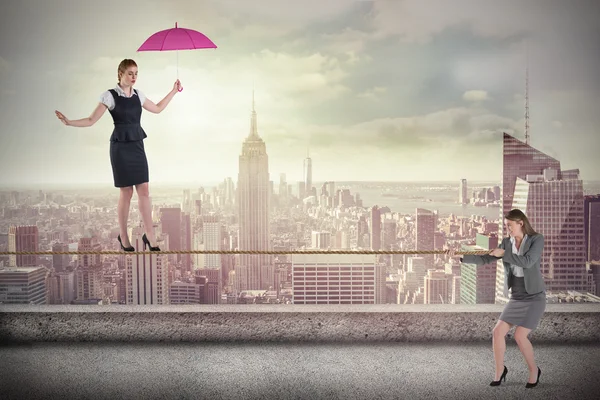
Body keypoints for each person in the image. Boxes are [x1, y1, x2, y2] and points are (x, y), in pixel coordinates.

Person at [55, 59, 181, 252]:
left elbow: (157, 108)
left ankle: (150, 234)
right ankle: (123, 236)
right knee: (126, 192)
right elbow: (91, 120)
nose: (134, 77)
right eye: (130, 73)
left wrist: (173, 91)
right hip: (120, 148)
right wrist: (69, 122)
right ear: (120, 73)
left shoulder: (139, 95)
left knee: (145, 190)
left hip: (137, 145)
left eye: (136, 73)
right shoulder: (109, 96)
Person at [448, 209, 545, 388]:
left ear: (521, 223)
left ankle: (534, 371)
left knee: (520, 336)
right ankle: (500, 370)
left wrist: (504, 254)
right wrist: (460, 256)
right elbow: (485, 259)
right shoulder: (506, 243)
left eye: (510, 225)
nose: (507, 229)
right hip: (516, 295)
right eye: (506, 225)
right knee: (497, 332)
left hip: (534, 296)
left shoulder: (536, 240)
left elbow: (528, 262)